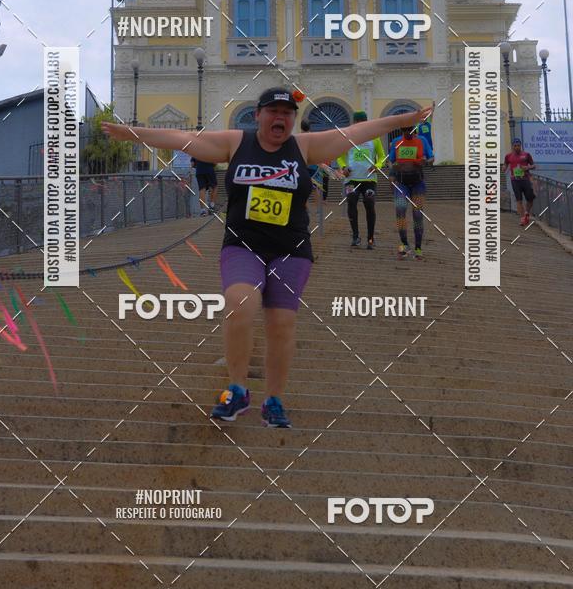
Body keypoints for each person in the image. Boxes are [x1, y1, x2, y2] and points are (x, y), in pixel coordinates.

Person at [102, 90, 433, 428]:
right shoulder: (236, 142)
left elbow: (357, 133)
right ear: (258, 115)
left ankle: (273, 399)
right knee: (239, 301)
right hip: (243, 244)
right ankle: (238, 389)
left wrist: (404, 120)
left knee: (280, 323)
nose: (280, 118)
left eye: (287, 113)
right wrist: (133, 133)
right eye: (273, 111)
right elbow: (183, 138)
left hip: (291, 249)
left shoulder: (304, 147)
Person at [337, 111, 386, 250]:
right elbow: (340, 157)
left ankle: (370, 239)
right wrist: (343, 167)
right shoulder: (348, 138)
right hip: (351, 179)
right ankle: (355, 236)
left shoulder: (374, 138)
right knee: (351, 201)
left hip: (369, 180)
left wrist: (377, 166)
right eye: (357, 123)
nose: (360, 125)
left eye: (362, 122)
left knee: (369, 204)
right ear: (354, 123)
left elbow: (382, 156)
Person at [389, 124, 434, 260]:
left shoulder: (422, 141)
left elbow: (432, 158)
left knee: (417, 214)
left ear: (414, 130)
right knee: (400, 210)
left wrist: (425, 162)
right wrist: (394, 167)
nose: (407, 132)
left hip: (417, 183)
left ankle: (418, 247)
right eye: (404, 130)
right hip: (401, 183)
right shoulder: (396, 142)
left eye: (410, 130)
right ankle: (404, 245)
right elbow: (390, 162)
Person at [503, 138, 536, 226]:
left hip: (525, 179)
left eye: (518, 145)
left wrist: (527, 168)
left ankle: (526, 213)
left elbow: (534, 166)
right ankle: (522, 219)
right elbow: (505, 163)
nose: (517, 147)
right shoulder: (508, 156)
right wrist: (504, 167)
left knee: (530, 199)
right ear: (512, 146)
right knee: (519, 200)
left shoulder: (526, 155)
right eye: (515, 146)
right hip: (515, 180)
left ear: (520, 146)